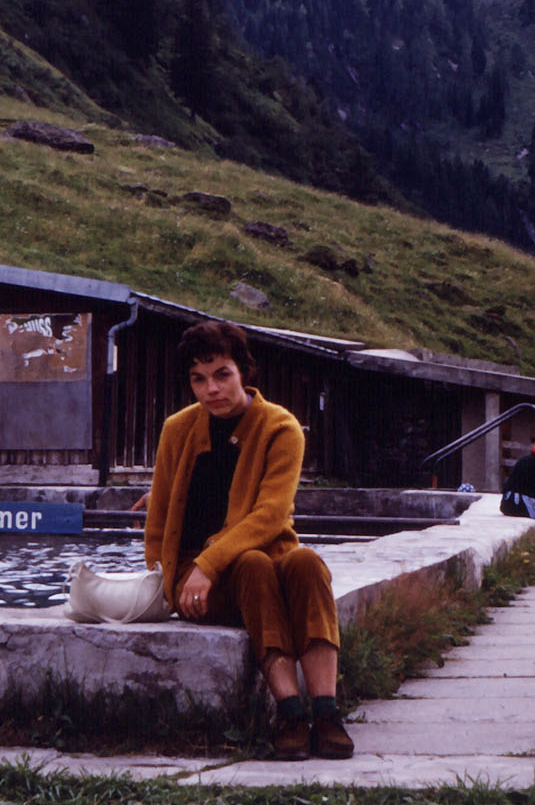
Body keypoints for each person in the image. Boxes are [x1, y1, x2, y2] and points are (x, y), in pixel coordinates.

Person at [143, 320, 352, 762]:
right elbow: (159, 519)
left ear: (244, 372)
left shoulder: (280, 427)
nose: (211, 389)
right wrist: (165, 583)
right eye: (198, 379)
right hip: (200, 581)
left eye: (222, 374)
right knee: (253, 565)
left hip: (239, 563)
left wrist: (209, 563)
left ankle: (327, 712)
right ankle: (291, 713)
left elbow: (271, 515)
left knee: (308, 562)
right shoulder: (177, 431)